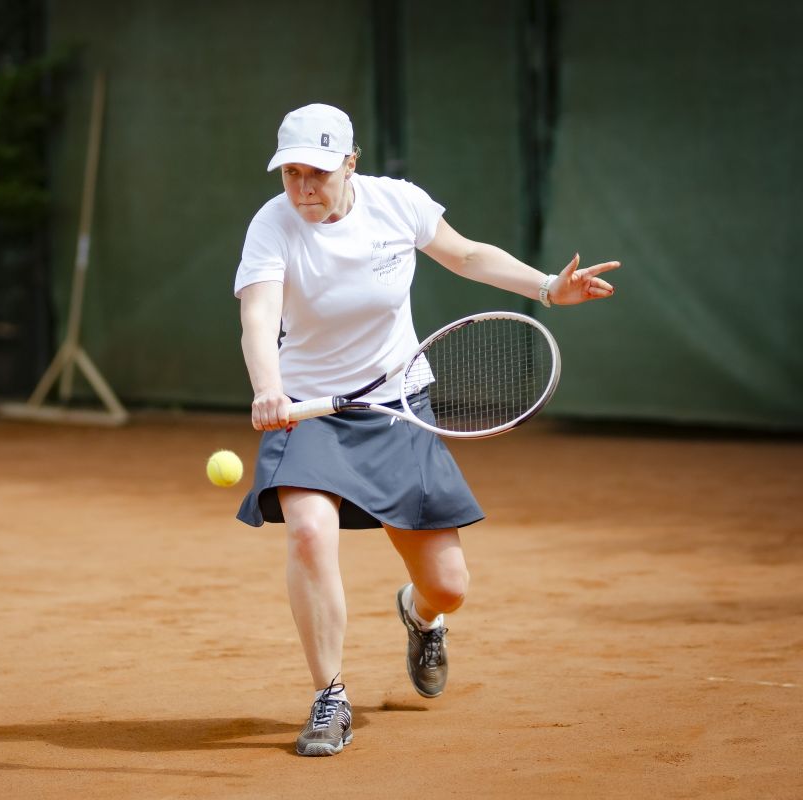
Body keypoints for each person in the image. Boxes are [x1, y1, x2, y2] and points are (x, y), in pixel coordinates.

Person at [233, 103, 619, 757]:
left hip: (397, 408)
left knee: (449, 586)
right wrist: (267, 387)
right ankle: (330, 696)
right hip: (310, 411)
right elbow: (259, 315)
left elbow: (465, 255)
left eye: (318, 173)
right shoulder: (272, 225)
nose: (303, 188)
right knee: (309, 532)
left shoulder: (396, 204)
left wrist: (548, 287)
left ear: (350, 164)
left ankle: (420, 614)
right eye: (291, 173)